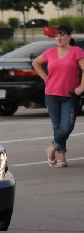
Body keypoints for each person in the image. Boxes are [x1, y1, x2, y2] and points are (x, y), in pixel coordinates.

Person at [32, 25, 84, 168]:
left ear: (69, 37)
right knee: (57, 127)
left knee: (66, 127)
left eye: (62, 35)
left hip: (70, 95)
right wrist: (44, 76)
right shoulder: (50, 52)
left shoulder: (76, 51)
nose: (59, 38)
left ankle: (52, 148)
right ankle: (62, 158)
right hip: (51, 94)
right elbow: (35, 62)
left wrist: (81, 87)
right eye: (56, 36)